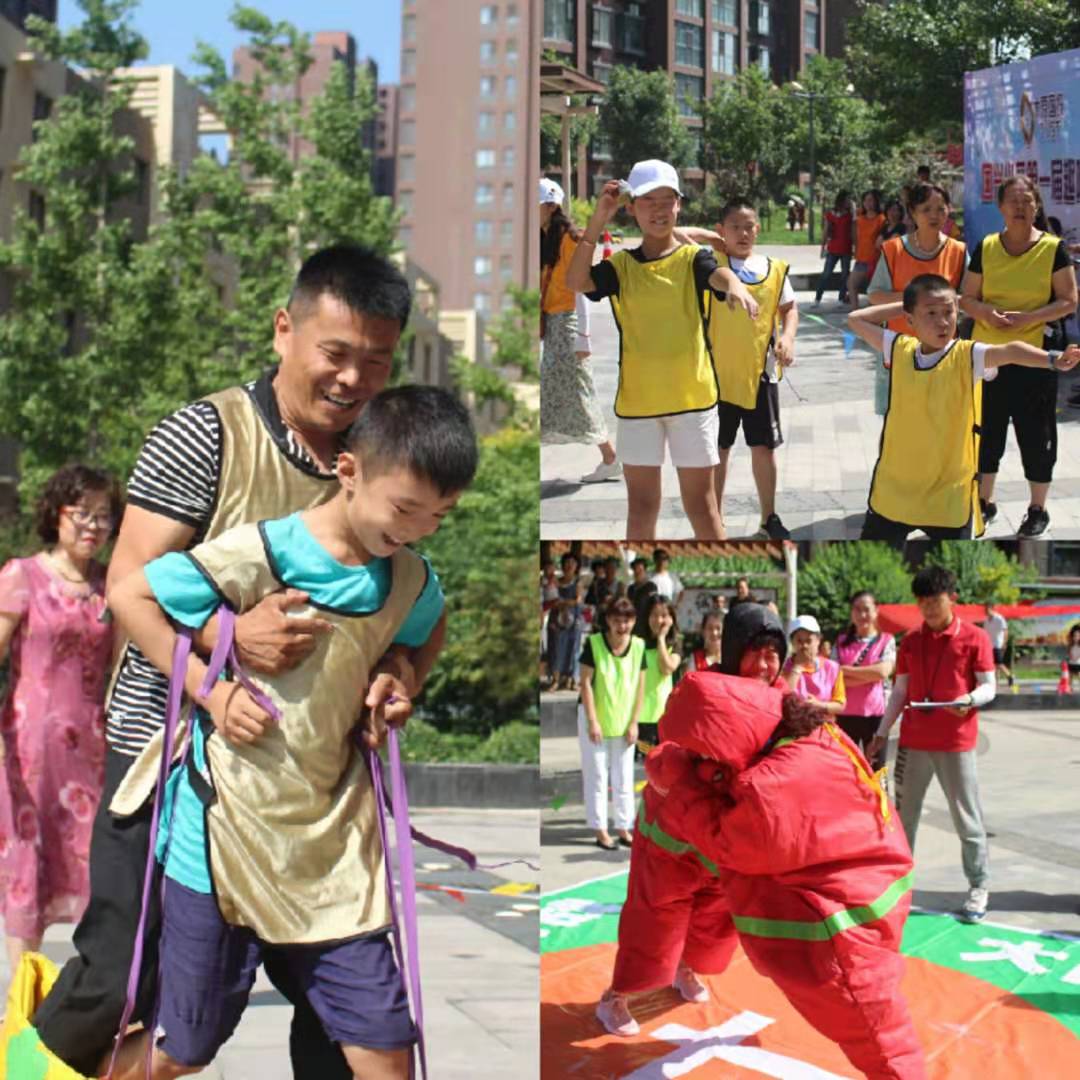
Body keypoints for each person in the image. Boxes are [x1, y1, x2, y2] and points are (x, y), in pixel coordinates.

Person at [31, 244, 432, 1079]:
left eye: (376, 360)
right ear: (284, 330)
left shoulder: (387, 452)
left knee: (344, 1016)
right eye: (335, 352)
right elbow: (128, 584)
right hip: (173, 755)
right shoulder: (205, 434)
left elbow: (413, 605)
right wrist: (229, 639)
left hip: (311, 788)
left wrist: (401, 673)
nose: (353, 379)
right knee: (123, 981)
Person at [104, 385, 477, 1079]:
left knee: (385, 1048)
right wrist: (211, 692)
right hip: (221, 839)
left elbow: (429, 627)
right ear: (349, 471)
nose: (420, 530)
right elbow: (131, 594)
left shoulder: (408, 577)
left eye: (439, 515)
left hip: (333, 852)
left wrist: (402, 675)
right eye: (405, 509)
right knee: (184, 1047)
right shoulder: (262, 550)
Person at [646, 679, 924, 1078]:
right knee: (881, 1029)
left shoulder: (770, 789)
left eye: (702, 748)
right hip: (871, 885)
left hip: (840, 927)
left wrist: (680, 784)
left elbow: (727, 841)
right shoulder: (812, 734)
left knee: (880, 1040)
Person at [595, 602, 789, 1037]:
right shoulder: (704, 690)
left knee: (716, 917)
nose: (765, 665)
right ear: (735, 650)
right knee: (655, 919)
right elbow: (671, 743)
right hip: (674, 834)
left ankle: (687, 966)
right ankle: (616, 996)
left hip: (723, 838)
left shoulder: (781, 701)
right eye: (755, 653)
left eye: (773, 654)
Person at [566, 159, 758, 539]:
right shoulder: (621, 266)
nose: (658, 209)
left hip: (693, 401)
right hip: (639, 405)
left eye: (666, 200)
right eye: (647, 200)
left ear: (679, 205)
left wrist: (735, 285)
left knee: (702, 506)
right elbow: (576, 281)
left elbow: (717, 274)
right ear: (631, 207)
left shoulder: (692, 258)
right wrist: (598, 220)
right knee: (641, 508)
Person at [850, 274, 1080, 547]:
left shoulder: (969, 355)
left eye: (949, 312)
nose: (942, 321)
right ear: (909, 320)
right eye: (931, 313)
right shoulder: (900, 349)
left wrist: (1054, 360)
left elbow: (1012, 351)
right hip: (896, 488)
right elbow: (856, 319)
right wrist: (908, 303)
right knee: (872, 562)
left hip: (949, 494)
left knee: (954, 568)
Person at [0, 465, 120, 976]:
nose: (93, 526)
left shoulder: (112, 585)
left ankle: (96, 988)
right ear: (57, 514)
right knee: (29, 863)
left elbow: (120, 666)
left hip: (94, 745)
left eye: (103, 516)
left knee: (99, 865)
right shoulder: (22, 575)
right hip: (31, 748)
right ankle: (22, 995)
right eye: (82, 514)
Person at [868, 565, 996, 923]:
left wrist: (970, 699)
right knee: (903, 818)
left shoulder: (974, 638)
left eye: (934, 601)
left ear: (952, 598)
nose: (928, 608)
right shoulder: (911, 640)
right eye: (922, 602)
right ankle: (899, 886)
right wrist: (882, 732)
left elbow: (989, 686)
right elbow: (900, 692)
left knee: (967, 817)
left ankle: (978, 885)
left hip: (956, 743)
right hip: (913, 744)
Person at [962, 174, 1079, 536]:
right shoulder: (986, 247)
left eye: (1027, 200)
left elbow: (1069, 301)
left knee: (1036, 434)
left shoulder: (1053, 248)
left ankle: (1037, 509)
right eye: (1012, 200)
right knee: (986, 432)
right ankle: (984, 502)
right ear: (1000, 207)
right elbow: (967, 298)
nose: (1020, 207)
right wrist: (986, 313)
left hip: (1035, 357)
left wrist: (1030, 317)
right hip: (989, 358)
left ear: (1036, 206)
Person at [706, 197, 798, 541]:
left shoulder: (773, 268)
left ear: (758, 229)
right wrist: (714, 241)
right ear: (721, 230)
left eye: (749, 227)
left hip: (761, 374)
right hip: (716, 376)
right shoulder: (710, 264)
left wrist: (787, 338)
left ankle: (769, 517)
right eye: (735, 227)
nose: (743, 234)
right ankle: (715, 520)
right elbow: (680, 236)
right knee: (718, 449)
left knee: (764, 447)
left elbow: (789, 309)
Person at [539, 178, 621, 484]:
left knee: (578, 391)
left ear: (550, 206)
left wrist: (583, 336)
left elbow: (580, 287)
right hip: (555, 322)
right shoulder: (545, 237)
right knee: (557, 391)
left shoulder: (570, 239)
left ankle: (610, 457)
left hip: (568, 322)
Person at [868, 183, 967, 417]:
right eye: (926, 209)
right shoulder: (893, 249)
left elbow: (969, 298)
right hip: (901, 354)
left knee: (941, 425)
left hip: (943, 355)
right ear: (912, 212)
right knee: (899, 428)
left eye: (941, 209)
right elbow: (875, 295)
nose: (934, 215)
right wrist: (917, 299)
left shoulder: (959, 251)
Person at [578, 597, 646, 851]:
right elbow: (585, 683)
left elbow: (640, 687)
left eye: (627, 621)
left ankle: (624, 827)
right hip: (595, 718)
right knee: (597, 775)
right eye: (617, 621)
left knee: (624, 776)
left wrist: (634, 722)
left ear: (634, 621)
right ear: (608, 621)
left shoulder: (638, 646)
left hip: (624, 720)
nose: (622, 626)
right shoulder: (594, 643)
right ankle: (600, 829)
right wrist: (592, 721)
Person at [835, 591, 896, 773]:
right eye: (857, 609)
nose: (862, 615)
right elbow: (833, 678)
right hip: (844, 715)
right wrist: (869, 676)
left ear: (876, 611)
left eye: (866, 609)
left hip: (876, 718)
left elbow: (883, 672)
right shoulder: (840, 642)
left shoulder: (886, 640)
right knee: (846, 771)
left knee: (877, 772)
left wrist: (846, 671)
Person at [636, 595, 681, 749]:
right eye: (654, 615)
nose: (659, 620)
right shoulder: (637, 644)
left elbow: (666, 668)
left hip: (664, 718)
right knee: (642, 763)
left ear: (671, 619)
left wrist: (661, 639)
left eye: (664, 615)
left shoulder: (675, 645)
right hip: (639, 717)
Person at [783, 614, 846, 715]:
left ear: (818, 641)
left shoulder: (832, 668)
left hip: (823, 722)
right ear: (792, 642)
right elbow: (782, 698)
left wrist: (819, 705)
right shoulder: (783, 668)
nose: (804, 645)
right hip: (793, 722)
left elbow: (840, 705)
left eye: (809, 641)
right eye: (799, 641)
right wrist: (797, 667)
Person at [548, 552, 585, 691]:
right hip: (557, 620)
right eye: (567, 562)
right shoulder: (556, 582)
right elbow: (551, 600)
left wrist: (563, 602)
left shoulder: (578, 582)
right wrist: (567, 602)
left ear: (576, 566)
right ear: (562, 565)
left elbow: (578, 600)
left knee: (573, 648)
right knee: (556, 648)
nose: (569, 565)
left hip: (574, 620)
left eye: (572, 563)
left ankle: (572, 680)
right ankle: (555, 680)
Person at [848, 190, 885, 310]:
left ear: (876, 202)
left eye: (871, 200)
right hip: (860, 258)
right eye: (866, 200)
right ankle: (855, 311)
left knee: (872, 290)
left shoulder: (881, 219)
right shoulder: (860, 219)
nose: (868, 203)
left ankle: (871, 313)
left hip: (875, 260)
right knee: (851, 284)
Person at [814, 191, 853, 305]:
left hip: (846, 249)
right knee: (826, 274)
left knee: (845, 275)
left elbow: (853, 231)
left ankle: (841, 298)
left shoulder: (850, 215)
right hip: (833, 249)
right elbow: (825, 232)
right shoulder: (830, 214)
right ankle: (818, 298)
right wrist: (822, 247)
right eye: (847, 200)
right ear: (841, 201)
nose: (849, 202)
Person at [982, 603, 1012, 687]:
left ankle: (1009, 675)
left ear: (992, 609)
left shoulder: (999, 618)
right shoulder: (986, 621)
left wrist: (1004, 642)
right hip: (990, 645)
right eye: (985, 610)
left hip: (998, 644)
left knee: (999, 663)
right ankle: (996, 682)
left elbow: (1005, 630)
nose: (986, 611)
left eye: (987, 610)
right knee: (994, 664)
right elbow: (985, 633)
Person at [1068, 625, 1080, 692]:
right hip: (1071, 662)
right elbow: (1069, 652)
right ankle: (1070, 687)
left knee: (1079, 674)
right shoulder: (1071, 645)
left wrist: (1077, 657)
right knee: (1070, 675)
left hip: (1078, 663)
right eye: (1074, 636)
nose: (1076, 638)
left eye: (1077, 636)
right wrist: (1071, 656)